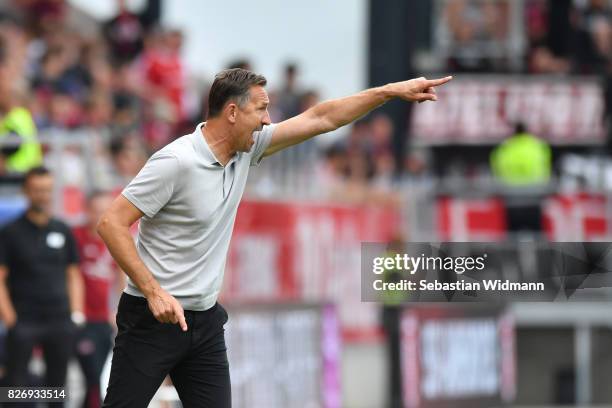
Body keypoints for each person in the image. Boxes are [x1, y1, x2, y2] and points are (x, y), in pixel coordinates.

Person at [97, 68, 452, 407]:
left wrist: (388, 92)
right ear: (233, 112)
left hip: (204, 322)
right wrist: (154, 292)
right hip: (152, 319)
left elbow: (321, 119)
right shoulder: (175, 162)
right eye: (262, 109)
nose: (268, 120)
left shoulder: (246, 148)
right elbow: (111, 223)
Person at [0, 167, 84, 403]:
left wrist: (76, 313)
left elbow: (73, 273)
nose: (42, 195)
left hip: (59, 319)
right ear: (26, 191)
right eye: (37, 190)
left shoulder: (61, 229)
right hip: (24, 319)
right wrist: (11, 320)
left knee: (58, 386)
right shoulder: (10, 233)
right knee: (14, 387)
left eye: (46, 190)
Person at [73, 191, 124, 408]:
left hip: (102, 320)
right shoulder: (74, 236)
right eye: (96, 209)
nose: (101, 215)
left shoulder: (114, 239)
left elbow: (122, 274)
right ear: (86, 210)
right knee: (91, 376)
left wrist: (117, 310)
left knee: (94, 378)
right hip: (79, 320)